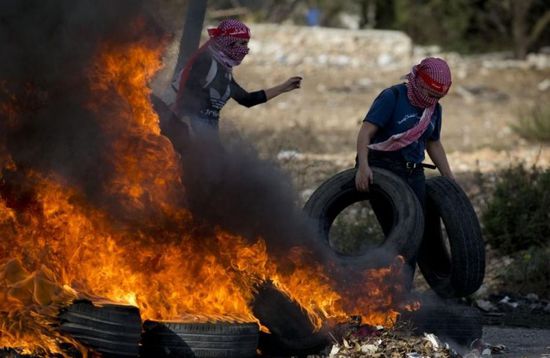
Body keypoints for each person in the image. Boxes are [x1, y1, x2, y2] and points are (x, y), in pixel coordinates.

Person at [164, 19, 302, 152]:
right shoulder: (205, 61)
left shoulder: (224, 71)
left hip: (207, 137)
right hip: (187, 133)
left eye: (247, 44)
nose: (245, 50)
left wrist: (283, 87)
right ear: (228, 42)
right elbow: (187, 93)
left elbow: (247, 99)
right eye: (241, 43)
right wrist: (185, 124)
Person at [355, 57, 455, 210]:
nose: (434, 100)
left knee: (422, 225)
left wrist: (449, 177)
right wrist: (363, 167)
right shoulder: (392, 97)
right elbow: (365, 133)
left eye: (439, 97)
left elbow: (433, 142)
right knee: (399, 227)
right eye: (431, 94)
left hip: (414, 173)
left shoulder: (434, 109)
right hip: (383, 170)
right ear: (420, 83)